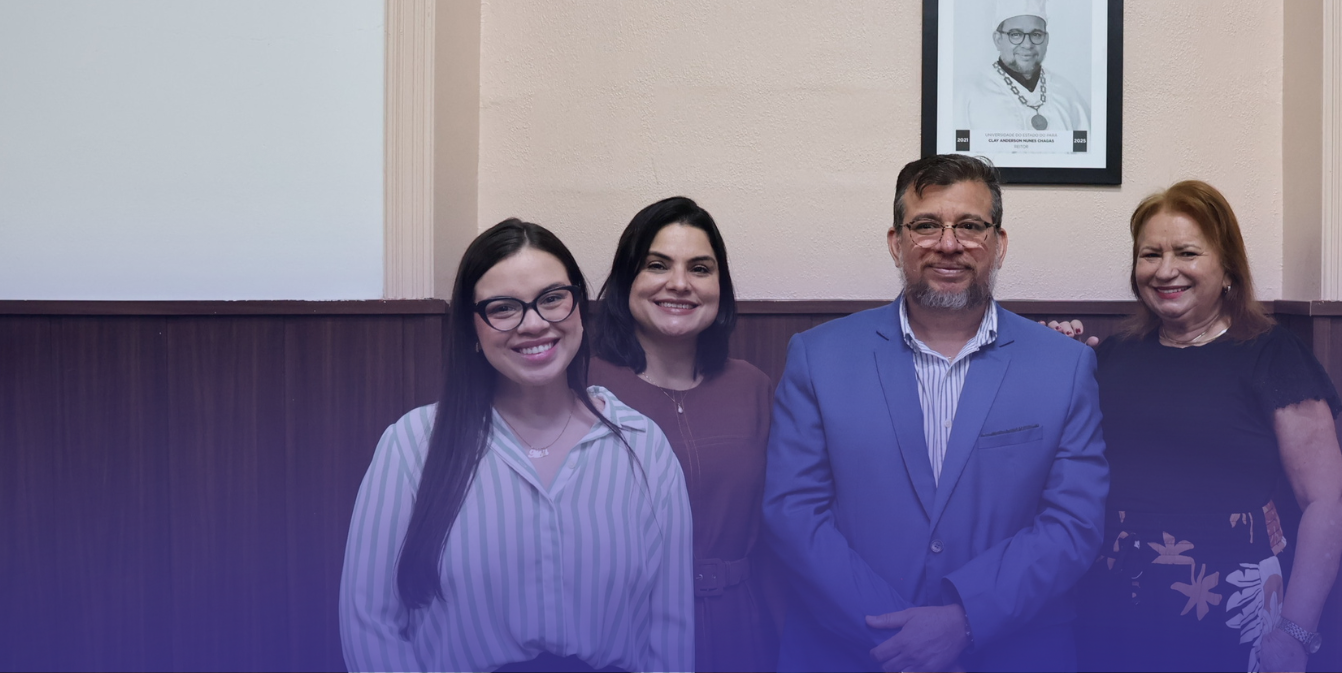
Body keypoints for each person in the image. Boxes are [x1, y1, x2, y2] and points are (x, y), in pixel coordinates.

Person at [761, 153, 1109, 672]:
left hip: (1012, 651)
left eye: (970, 225)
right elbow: (794, 513)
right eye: (926, 225)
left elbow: (1073, 523)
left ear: (1000, 244)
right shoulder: (818, 356)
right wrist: (898, 634)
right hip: (853, 651)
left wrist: (966, 619)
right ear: (896, 242)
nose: (949, 244)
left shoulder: (1065, 365)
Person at [339, 219, 693, 673]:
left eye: (552, 299)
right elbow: (370, 624)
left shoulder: (644, 447)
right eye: (503, 308)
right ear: (471, 328)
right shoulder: (410, 445)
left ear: (579, 307)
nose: (534, 324)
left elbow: (670, 631)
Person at [1071, 181, 1342, 672]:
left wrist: (1296, 633)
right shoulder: (1110, 356)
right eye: (1150, 254)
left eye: (1186, 252)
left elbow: (1329, 499)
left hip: (1234, 604)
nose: (1165, 270)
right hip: (1115, 601)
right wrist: (1060, 361)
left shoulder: (1272, 354)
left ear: (1227, 268)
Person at [588, 196, 781, 672]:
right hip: (623, 628)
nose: (679, 283)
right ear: (626, 281)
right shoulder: (583, 387)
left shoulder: (751, 386)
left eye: (700, 268)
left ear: (721, 287)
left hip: (742, 629)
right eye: (657, 265)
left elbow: (780, 527)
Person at [960, 0, 1092, 140]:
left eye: (1036, 34)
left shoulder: (1068, 96)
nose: (1027, 44)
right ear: (998, 40)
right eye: (1016, 34)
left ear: (1046, 40)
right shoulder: (968, 95)